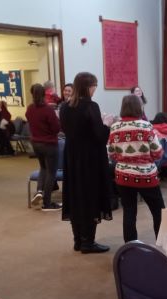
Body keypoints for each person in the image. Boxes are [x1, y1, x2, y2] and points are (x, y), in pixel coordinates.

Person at [59, 72, 112, 254]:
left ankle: (78, 241)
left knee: (76, 197)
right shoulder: (91, 106)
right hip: (90, 159)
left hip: (72, 158)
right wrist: (107, 123)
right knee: (90, 197)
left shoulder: (65, 107)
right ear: (88, 87)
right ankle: (88, 242)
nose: (95, 89)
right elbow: (100, 137)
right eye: (94, 86)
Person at [108, 95, 165, 243]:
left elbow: (111, 153)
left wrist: (124, 159)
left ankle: (130, 247)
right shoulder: (146, 126)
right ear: (139, 107)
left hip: (123, 176)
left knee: (129, 212)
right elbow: (158, 152)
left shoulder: (114, 127)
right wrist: (147, 158)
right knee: (159, 212)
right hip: (146, 176)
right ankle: (162, 246)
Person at [27, 84, 62, 211]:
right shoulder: (47, 109)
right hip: (49, 144)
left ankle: (39, 191)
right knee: (51, 173)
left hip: (36, 143)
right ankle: (47, 204)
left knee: (43, 168)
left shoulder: (30, 108)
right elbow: (56, 128)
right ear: (44, 94)